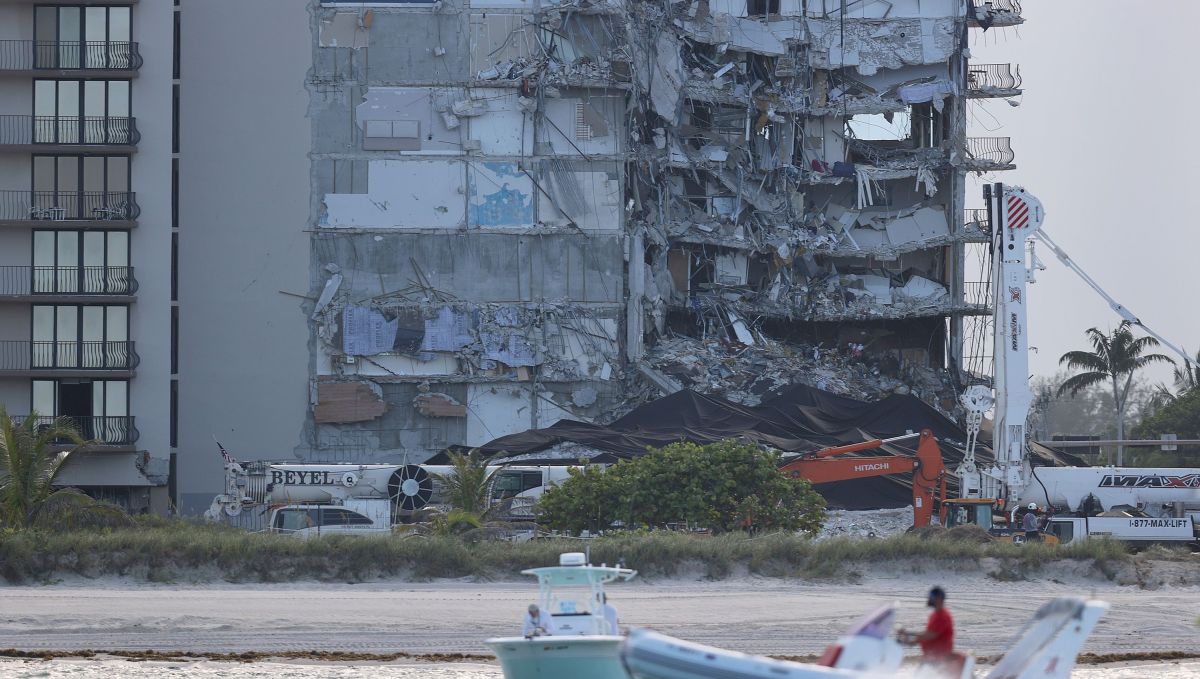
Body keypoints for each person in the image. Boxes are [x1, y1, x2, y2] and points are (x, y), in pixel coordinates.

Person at [898, 587, 954, 664]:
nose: (930, 598)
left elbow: (930, 635)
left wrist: (908, 633)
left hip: (939, 658)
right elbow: (924, 635)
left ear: (939, 599)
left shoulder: (942, 616)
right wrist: (906, 640)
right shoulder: (934, 615)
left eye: (932, 596)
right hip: (930, 657)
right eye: (930, 596)